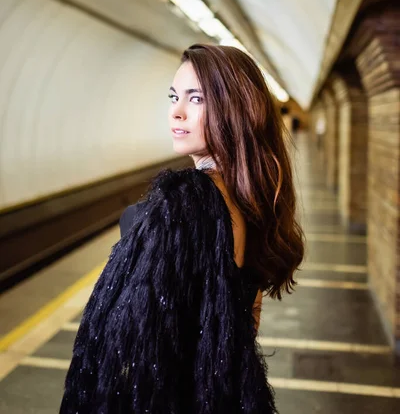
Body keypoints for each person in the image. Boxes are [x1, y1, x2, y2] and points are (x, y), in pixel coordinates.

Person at [60, 44, 305, 413]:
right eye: (174, 96)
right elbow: (245, 321)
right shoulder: (251, 200)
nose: (176, 112)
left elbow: (134, 341)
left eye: (196, 99)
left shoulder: (186, 200)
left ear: (234, 110)